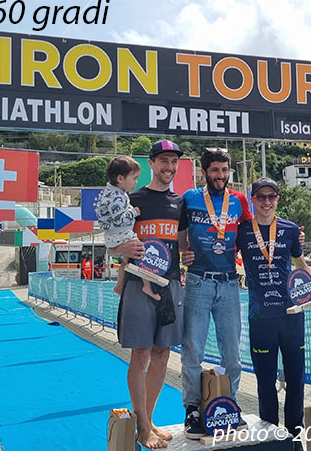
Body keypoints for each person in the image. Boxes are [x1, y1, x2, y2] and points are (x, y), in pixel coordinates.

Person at [109, 140, 193, 450]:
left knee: (162, 354)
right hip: (138, 282)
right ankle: (143, 427)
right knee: (141, 354)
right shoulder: (132, 198)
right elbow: (111, 243)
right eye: (164, 161)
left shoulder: (180, 203)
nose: (169, 167)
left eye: (174, 162)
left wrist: (189, 255)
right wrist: (122, 250)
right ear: (152, 163)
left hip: (169, 285)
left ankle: (149, 420)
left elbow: (182, 245)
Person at [235, 178, 311, 438]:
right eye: (261, 197)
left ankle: (295, 434)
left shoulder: (290, 229)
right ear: (253, 199)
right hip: (260, 317)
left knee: (296, 379)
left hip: (291, 315)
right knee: (264, 381)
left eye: (271, 196)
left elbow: (300, 263)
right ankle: (270, 434)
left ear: (277, 200)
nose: (266, 202)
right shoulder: (241, 231)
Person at [179, 147, 253, 439]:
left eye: (224, 170)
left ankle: (230, 405)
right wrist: (183, 251)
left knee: (232, 354)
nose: (220, 176)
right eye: (215, 170)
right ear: (204, 172)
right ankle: (192, 410)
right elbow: (179, 230)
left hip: (230, 283)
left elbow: (252, 232)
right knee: (193, 350)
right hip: (198, 281)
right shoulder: (190, 198)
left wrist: (292, 234)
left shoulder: (239, 201)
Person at [96, 155, 157, 300]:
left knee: (126, 261)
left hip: (113, 234)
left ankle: (119, 285)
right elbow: (119, 219)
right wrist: (133, 212)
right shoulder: (117, 197)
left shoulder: (109, 192)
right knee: (141, 252)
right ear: (120, 179)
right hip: (121, 233)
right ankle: (147, 285)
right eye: (134, 178)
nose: (136, 182)